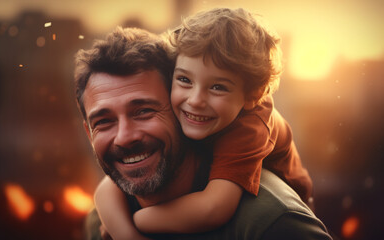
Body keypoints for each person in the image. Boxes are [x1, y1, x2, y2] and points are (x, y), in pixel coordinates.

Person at [75, 26, 332, 240]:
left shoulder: (271, 223)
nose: (124, 137)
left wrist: (139, 222)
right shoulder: (101, 222)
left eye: (143, 111)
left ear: (180, 110)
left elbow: (214, 209)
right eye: (104, 121)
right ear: (88, 133)